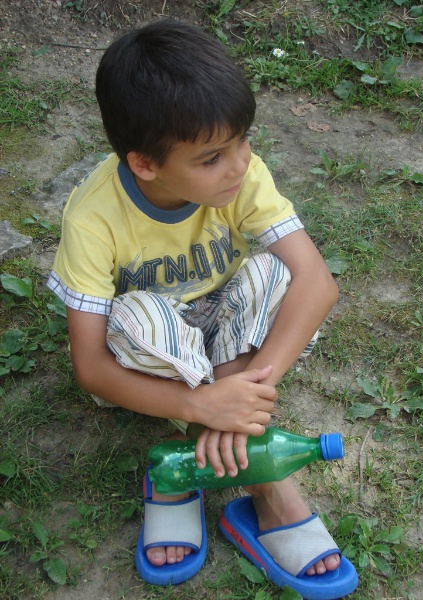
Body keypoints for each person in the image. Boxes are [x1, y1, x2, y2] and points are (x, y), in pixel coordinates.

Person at [47, 18, 358, 598]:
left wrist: (246, 398)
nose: (239, 164)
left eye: (243, 140)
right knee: (136, 314)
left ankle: (181, 467)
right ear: (145, 164)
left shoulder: (241, 177)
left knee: (278, 271)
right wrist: (198, 403)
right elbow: (89, 367)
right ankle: (267, 486)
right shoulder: (93, 218)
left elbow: (318, 283)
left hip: (228, 338)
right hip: (155, 352)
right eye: (213, 157)